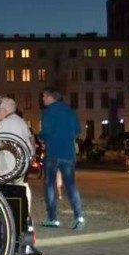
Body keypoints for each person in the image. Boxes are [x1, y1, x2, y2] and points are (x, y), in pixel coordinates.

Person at [39, 87, 84, 230]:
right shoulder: (70, 112)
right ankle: (79, 217)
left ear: (51, 97)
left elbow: (46, 132)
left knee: (50, 185)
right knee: (71, 185)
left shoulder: (48, 112)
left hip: (53, 152)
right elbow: (78, 131)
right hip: (68, 154)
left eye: (44, 96)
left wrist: (41, 137)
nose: (42, 99)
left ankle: (53, 218)